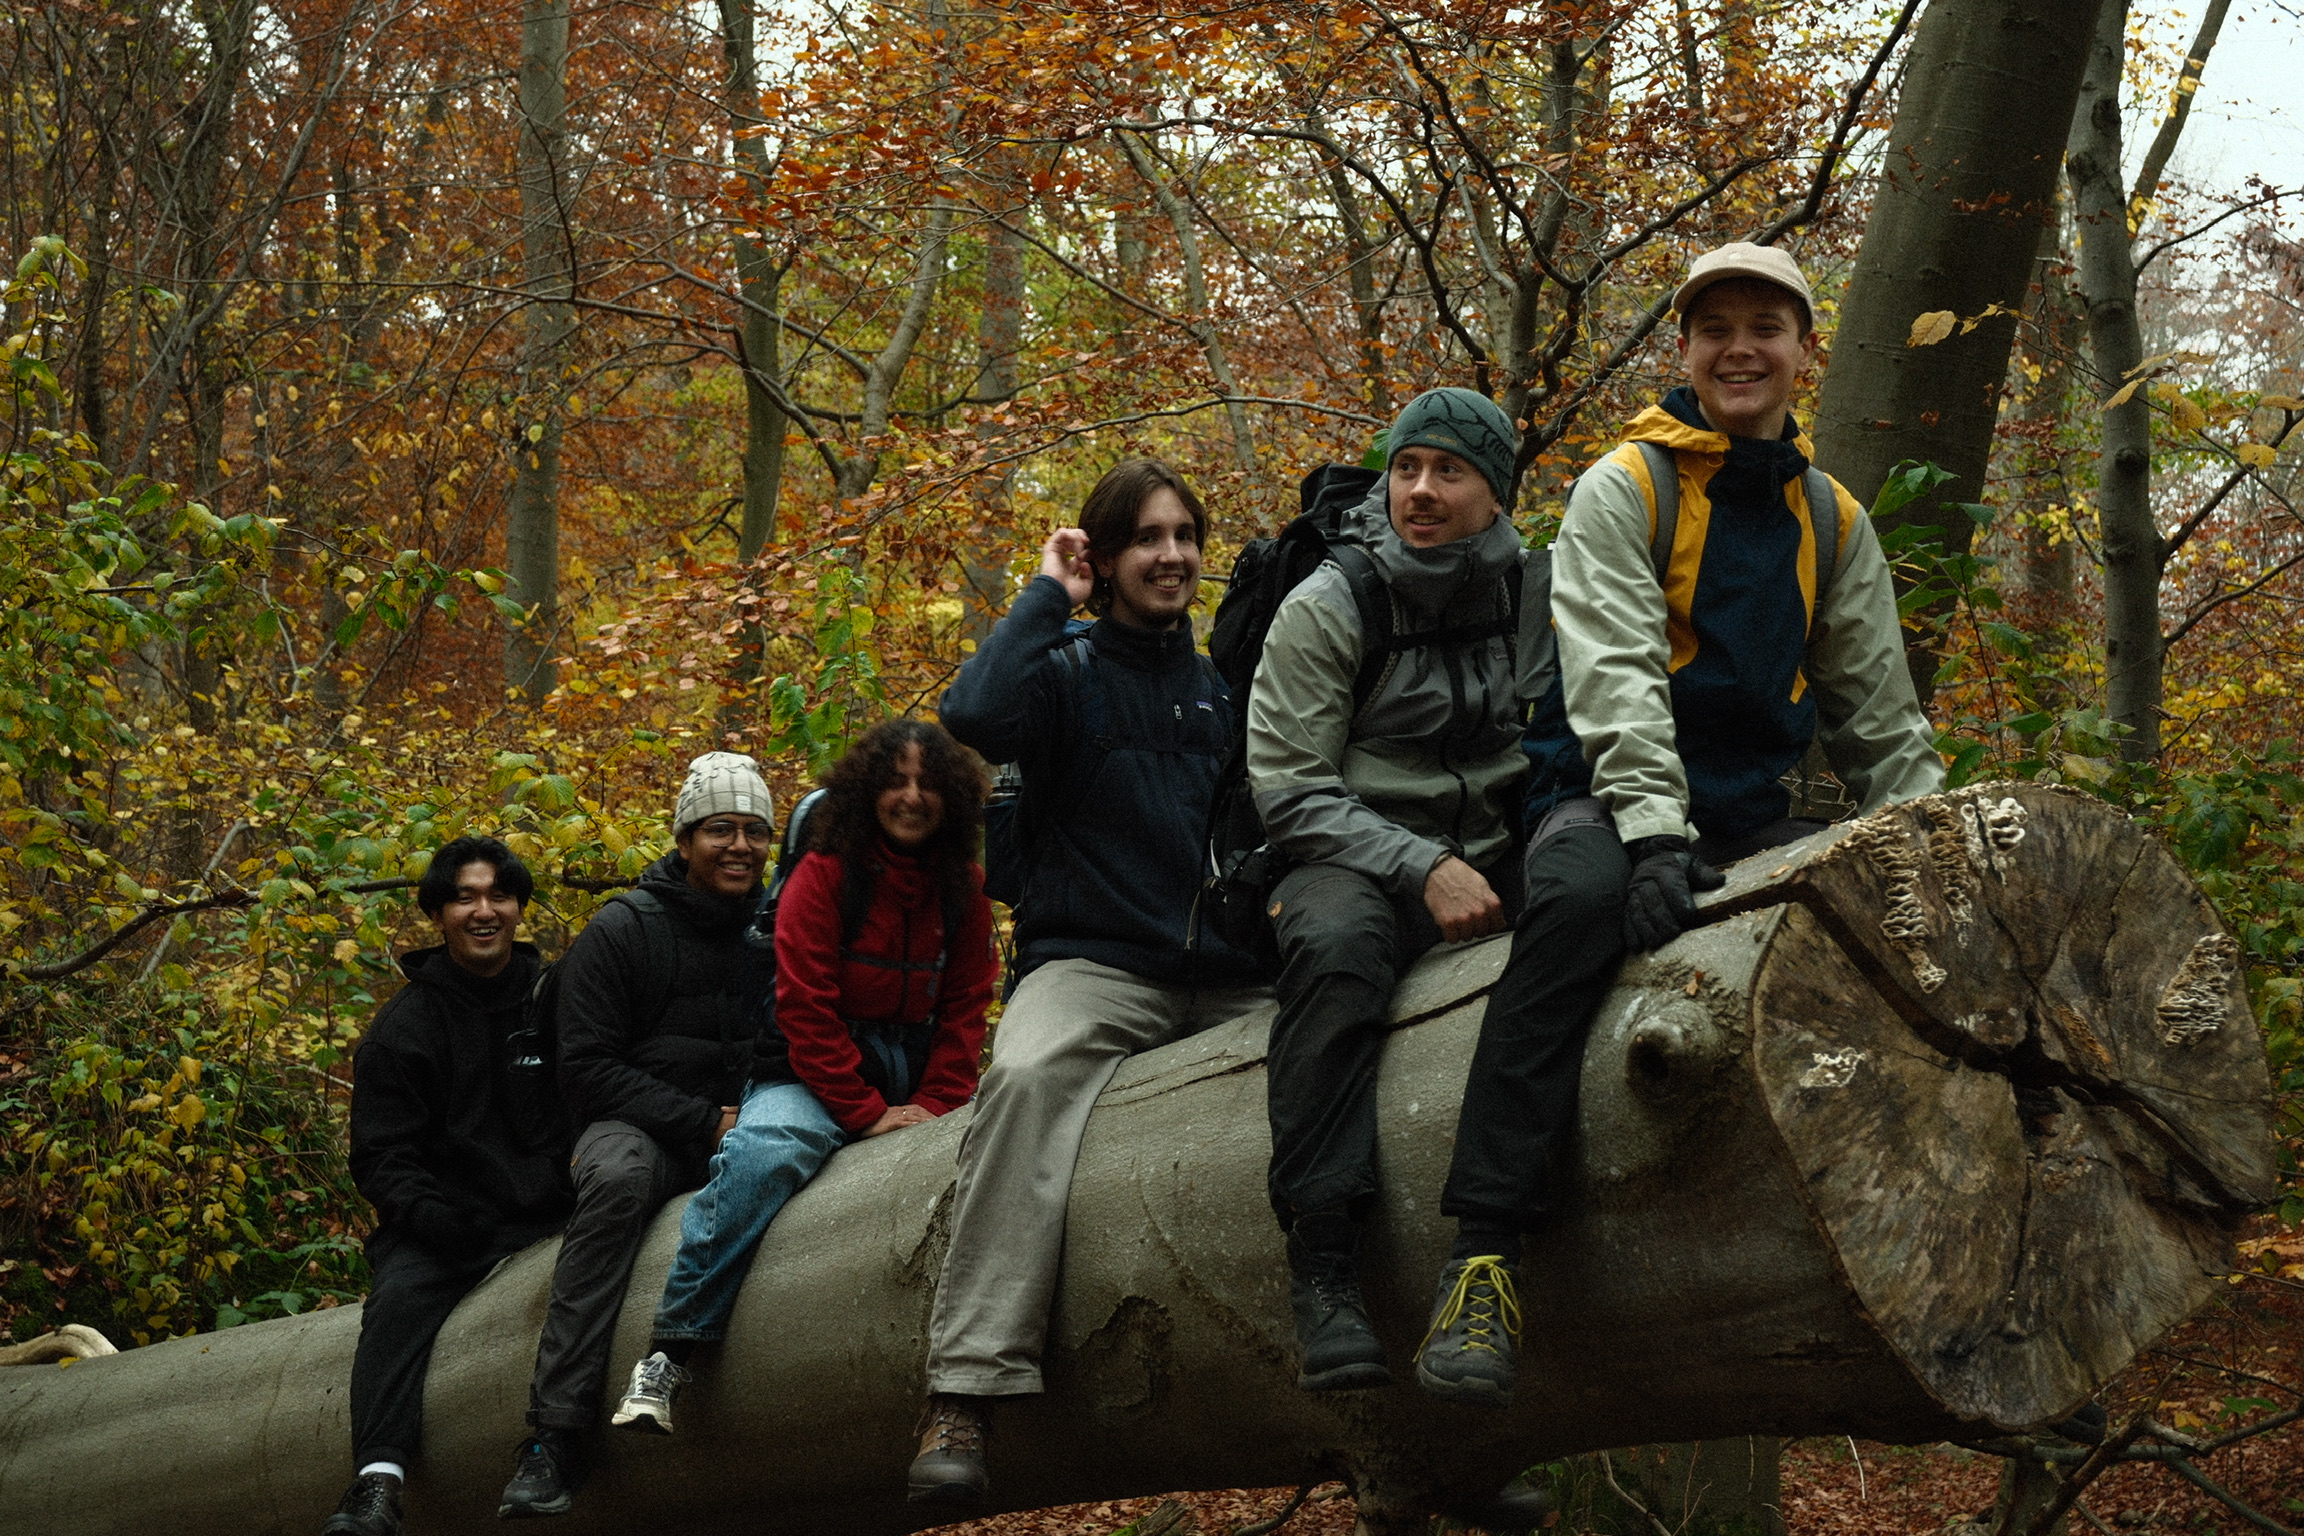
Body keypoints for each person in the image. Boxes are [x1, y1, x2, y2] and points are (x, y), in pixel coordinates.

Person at [1414, 242, 1945, 1407]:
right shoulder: (1631, 484)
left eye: (1766, 327)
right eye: (1716, 330)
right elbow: (1611, 675)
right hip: (1599, 793)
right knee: (1575, 910)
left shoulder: (1832, 518)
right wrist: (1654, 835)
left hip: (1749, 812)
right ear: (1687, 352)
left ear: (1806, 352)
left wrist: (1933, 860)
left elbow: (1878, 718)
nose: (1741, 348)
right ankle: (1483, 1254)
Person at [909, 458, 1272, 1507]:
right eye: (1148, 539)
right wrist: (1044, 592)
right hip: (1095, 969)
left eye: (1185, 536)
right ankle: (965, 1391)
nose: (1173, 556)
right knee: (1019, 1078)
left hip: (1230, 977)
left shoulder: (1223, 688)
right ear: (1108, 558)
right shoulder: (1064, 674)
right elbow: (971, 716)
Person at [1244, 386, 1537, 1393]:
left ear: (1494, 493)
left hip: (1499, 842)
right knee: (1333, 954)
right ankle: (1323, 1263)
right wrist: (1422, 866)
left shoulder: (1530, 592)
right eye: (1406, 468)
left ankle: (1495, 1248)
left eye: (1448, 472)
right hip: (1352, 855)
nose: (1419, 490)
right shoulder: (1331, 601)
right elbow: (1287, 791)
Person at [611, 718, 994, 1434]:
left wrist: (941, 1102)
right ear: (867, 792)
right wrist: (866, 1112)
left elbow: (968, 1005)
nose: (912, 797)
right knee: (766, 1151)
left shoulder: (961, 887)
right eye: (896, 782)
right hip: (810, 1070)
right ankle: (669, 1353)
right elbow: (804, 1004)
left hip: (917, 1073)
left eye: (927, 783)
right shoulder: (826, 873)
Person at [498, 752, 780, 1518]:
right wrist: (701, 1120)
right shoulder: (623, 931)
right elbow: (584, 1067)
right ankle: (554, 1437)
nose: (740, 846)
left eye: (756, 831)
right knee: (616, 1184)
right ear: (684, 839)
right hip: (641, 1129)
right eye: (720, 828)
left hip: (753, 1117)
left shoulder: (777, 925)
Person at [323, 838, 571, 1536]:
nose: (483, 911)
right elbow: (381, 1156)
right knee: (397, 1302)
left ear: (520, 907)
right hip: (445, 1228)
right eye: (465, 897)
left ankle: (555, 1452)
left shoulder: (558, 1000)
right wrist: (436, 1218)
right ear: (438, 913)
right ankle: (376, 1484)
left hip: (555, 1210)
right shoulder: (403, 1029)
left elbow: (597, 1097)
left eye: (498, 895)